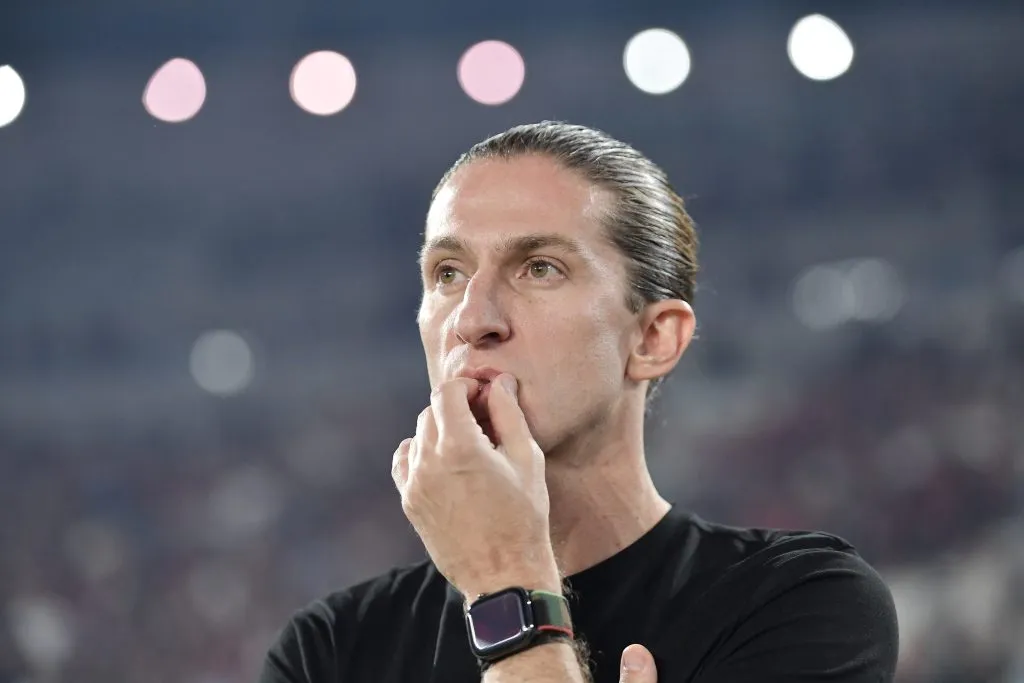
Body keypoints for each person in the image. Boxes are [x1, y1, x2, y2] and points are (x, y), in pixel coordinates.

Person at [258, 121, 899, 683]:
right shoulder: (329, 650)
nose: (472, 318)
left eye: (539, 267)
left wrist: (507, 585)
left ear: (652, 338)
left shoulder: (799, 604)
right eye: (447, 274)